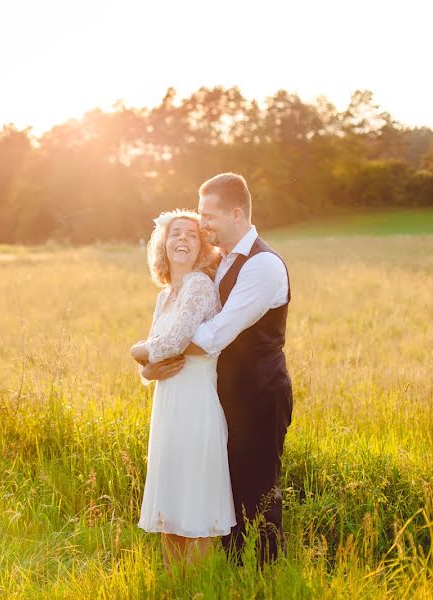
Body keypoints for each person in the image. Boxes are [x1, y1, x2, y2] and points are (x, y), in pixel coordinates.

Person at [142, 173, 293, 566]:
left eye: (208, 216)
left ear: (236, 213)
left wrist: (143, 352)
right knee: (225, 488)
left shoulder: (263, 266)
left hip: (259, 394)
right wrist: (153, 367)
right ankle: (228, 575)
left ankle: (264, 578)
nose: (202, 224)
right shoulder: (221, 262)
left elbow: (212, 336)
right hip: (221, 391)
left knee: (258, 488)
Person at [129, 209, 234, 574]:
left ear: (203, 246)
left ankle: (200, 585)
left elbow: (173, 342)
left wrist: (135, 352)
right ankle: (175, 584)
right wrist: (146, 369)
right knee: (171, 504)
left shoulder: (199, 286)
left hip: (195, 403)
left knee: (195, 502)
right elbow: (158, 360)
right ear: (163, 244)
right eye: (175, 234)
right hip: (168, 404)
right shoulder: (164, 297)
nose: (183, 240)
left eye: (192, 234)